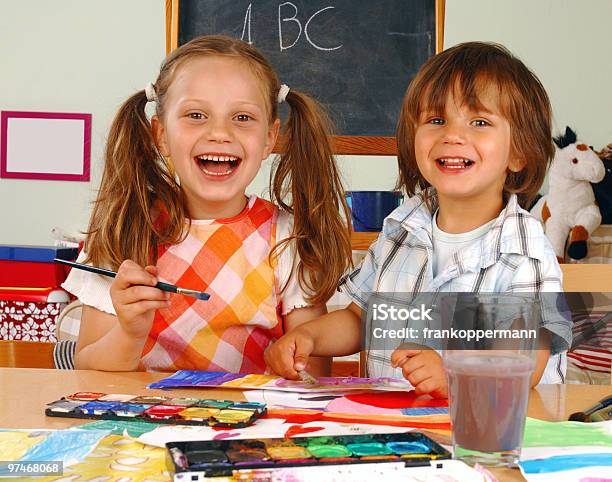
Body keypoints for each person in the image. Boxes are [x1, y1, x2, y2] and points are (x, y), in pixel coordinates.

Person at [265, 41, 572, 398]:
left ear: (519, 153)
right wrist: (309, 336)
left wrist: (453, 376)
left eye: (479, 121)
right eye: (436, 120)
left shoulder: (524, 251)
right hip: (401, 432)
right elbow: (360, 318)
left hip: (492, 438)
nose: (453, 135)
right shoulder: (400, 229)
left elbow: (525, 361)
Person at [62, 35, 352, 373]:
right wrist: (130, 331)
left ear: (270, 138)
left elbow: (312, 374)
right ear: (161, 135)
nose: (219, 132)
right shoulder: (122, 230)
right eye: (196, 115)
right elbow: (87, 370)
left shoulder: (288, 239)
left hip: (249, 424)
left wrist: (291, 364)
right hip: (142, 423)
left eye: (242, 118)